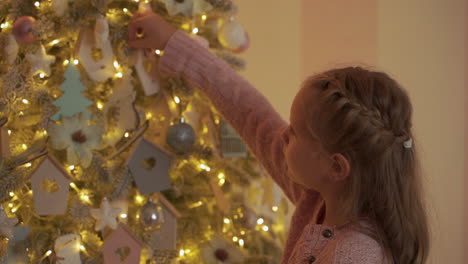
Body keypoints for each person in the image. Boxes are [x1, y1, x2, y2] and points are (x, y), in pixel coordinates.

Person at [128, 10, 430, 264]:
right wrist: (173, 43)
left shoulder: (353, 254)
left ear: (336, 167)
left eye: (295, 132)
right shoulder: (317, 198)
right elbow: (250, 114)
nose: (283, 133)